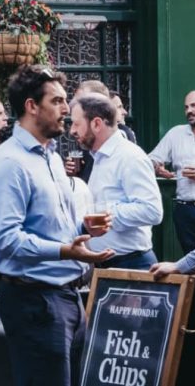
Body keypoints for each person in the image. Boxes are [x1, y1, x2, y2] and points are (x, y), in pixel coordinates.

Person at [0, 66, 114, 386]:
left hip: (68, 296)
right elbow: (5, 240)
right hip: (35, 302)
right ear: (31, 106)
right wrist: (64, 250)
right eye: (56, 101)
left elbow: (48, 223)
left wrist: (81, 231)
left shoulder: (51, 157)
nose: (66, 109)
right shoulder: (9, 163)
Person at [69, 93, 162, 270]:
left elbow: (152, 211)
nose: (72, 130)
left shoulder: (130, 156)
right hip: (104, 265)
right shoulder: (97, 156)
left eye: (76, 123)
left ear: (96, 123)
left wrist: (107, 215)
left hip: (130, 265)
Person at [149, 90, 195, 254]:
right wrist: (156, 166)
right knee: (191, 263)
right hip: (185, 209)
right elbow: (151, 159)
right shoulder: (176, 133)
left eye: (194, 105)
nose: (189, 111)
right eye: (186, 107)